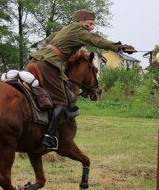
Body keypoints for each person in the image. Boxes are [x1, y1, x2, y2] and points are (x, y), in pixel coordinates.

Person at [28, 9, 136, 150]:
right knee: (61, 101)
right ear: (81, 22)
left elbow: (48, 39)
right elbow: (97, 41)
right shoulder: (79, 30)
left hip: (35, 60)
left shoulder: (65, 29)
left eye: (93, 24)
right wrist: (119, 47)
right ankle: (49, 136)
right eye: (90, 24)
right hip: (48, 65)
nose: (92, 27)